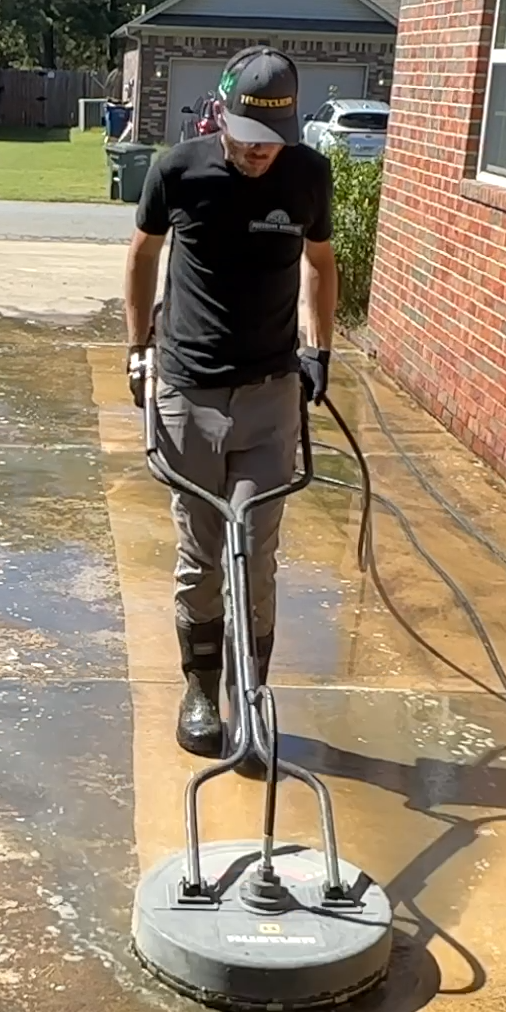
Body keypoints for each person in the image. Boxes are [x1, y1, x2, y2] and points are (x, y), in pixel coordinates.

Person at [123, 47, 336, 756]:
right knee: (201, 552)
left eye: (271, 143)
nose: (257, 155)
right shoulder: (178, 170)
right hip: (189, 390)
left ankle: (252, 697)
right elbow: (143, 253)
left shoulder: (308, 174)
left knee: (256, 552)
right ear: (223, 116)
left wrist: (318, 350)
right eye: (246, 140)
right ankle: (198, 692)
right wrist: (137, 349)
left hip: (271, 393)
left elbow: (320, 262)